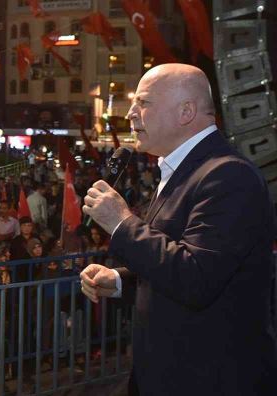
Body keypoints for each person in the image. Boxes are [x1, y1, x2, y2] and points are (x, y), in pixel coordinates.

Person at [79, 63, 277, 395]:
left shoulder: (229, 177)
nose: (130, 115)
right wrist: (117, 281)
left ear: (186, 111)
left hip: (208, 380)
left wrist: (122, 224)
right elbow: (174, 260)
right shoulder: (183, 171)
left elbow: (196, 278)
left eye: (143, 103)